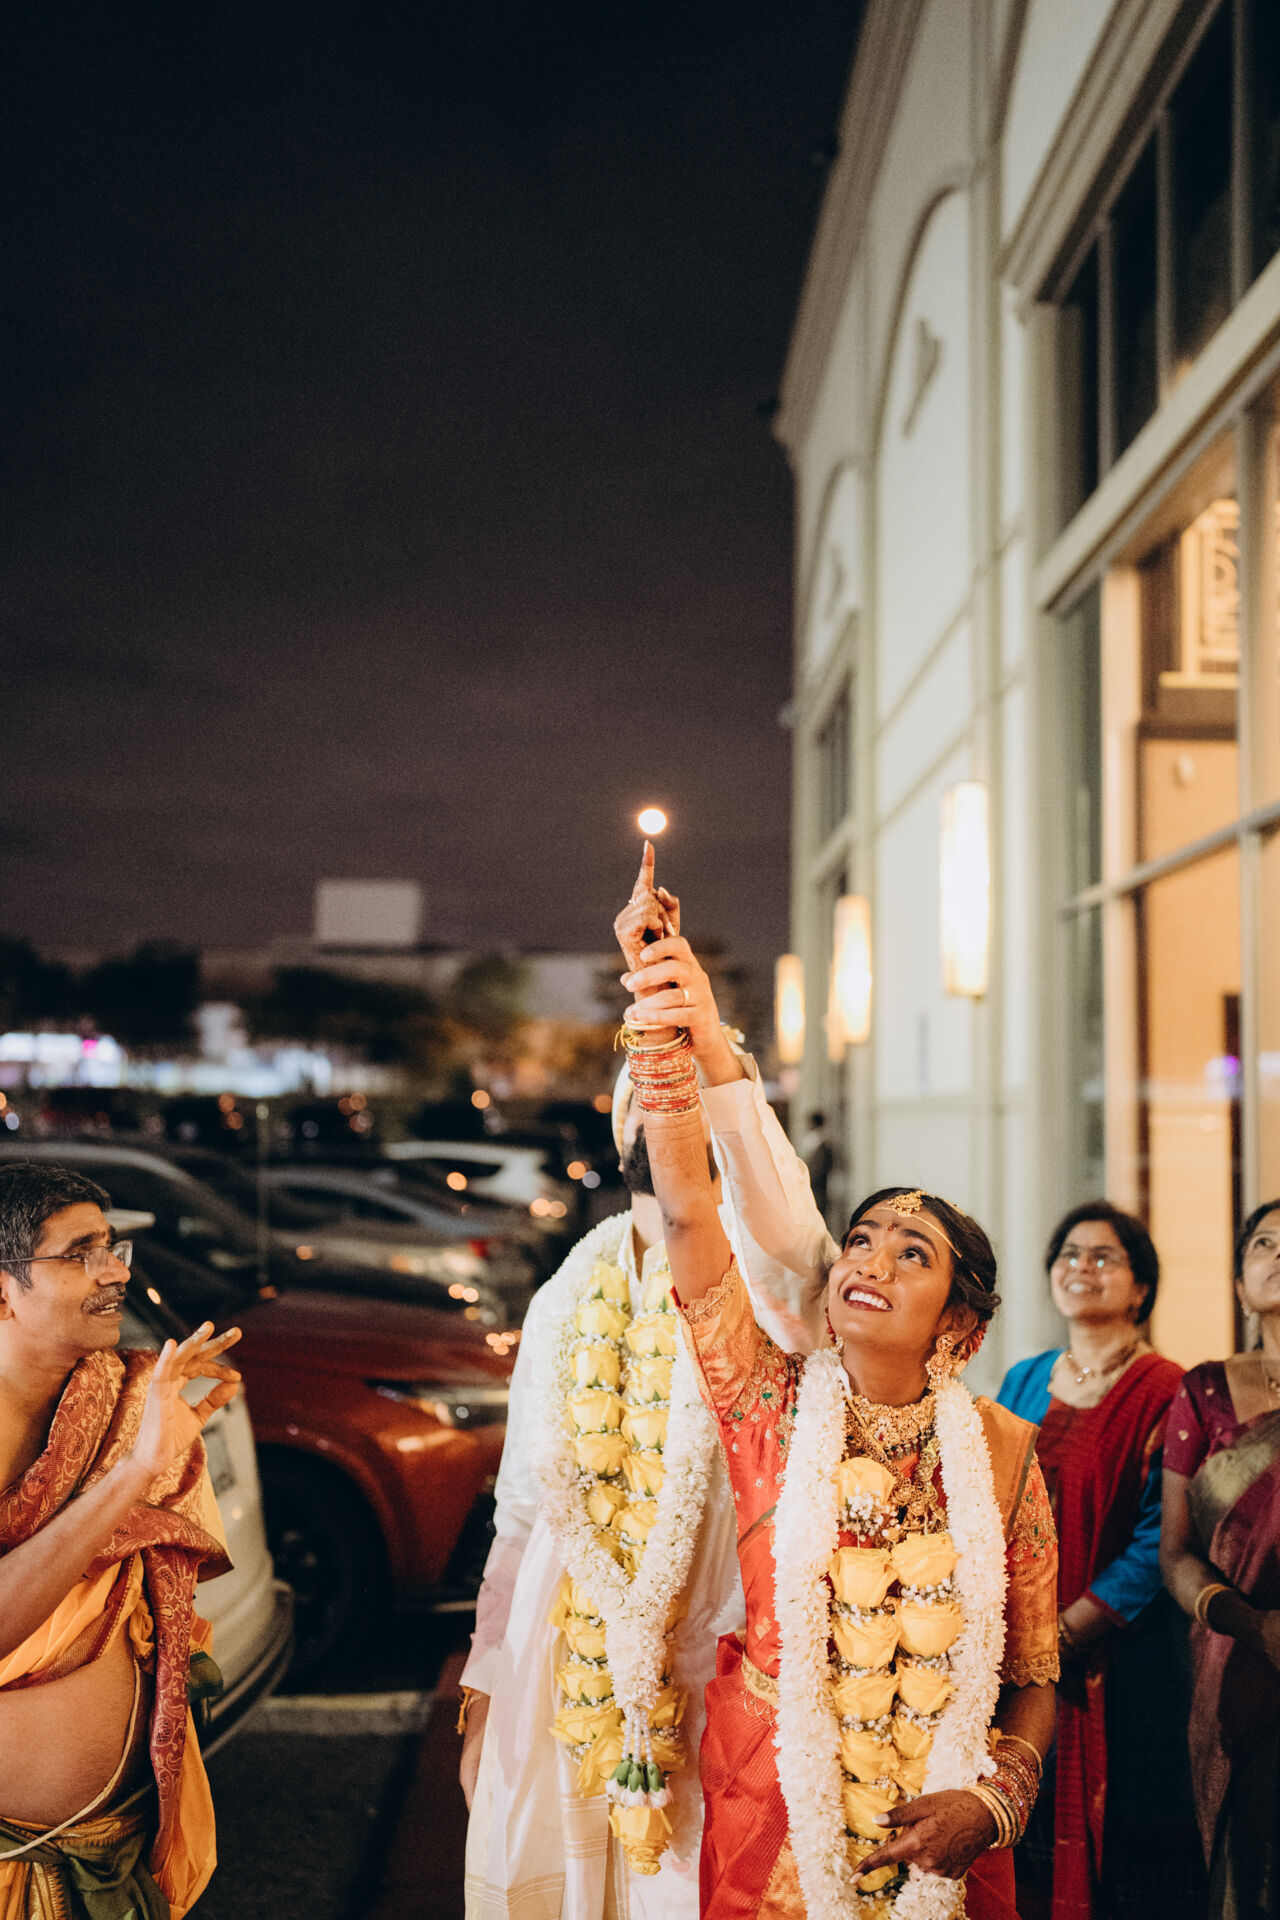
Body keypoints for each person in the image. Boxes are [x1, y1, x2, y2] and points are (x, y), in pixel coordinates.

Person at [613, 850, 1059, 1920]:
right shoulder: (764, 1403)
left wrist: (991, 1802)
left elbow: (1034, 1672)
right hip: (771, 1806)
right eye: (860, 1239)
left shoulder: (1002, 1452)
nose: (868, 1261)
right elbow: (691, 1212)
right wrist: (666, 1023)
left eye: (911, 1255)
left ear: (959, 1323)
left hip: (945, 1816)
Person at [458, 984, 817, 1920]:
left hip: (722, 1656)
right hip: (562, 1668)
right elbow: (519, 1515)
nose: (666, 1110)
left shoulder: (765, 1287)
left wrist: (718, 1065)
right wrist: (486, 1687)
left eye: (689, 1095)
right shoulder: (563, 1297)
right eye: (650, 1094)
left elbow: (790, 1235)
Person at [0, 1162, 242, 1919]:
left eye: (112, 1248)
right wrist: (135, 1471)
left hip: (125, 1835)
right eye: (80, 1254)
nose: (115, 1272)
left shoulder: (122, 1394)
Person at [998, 1203, 1203, 1920]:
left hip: (1122, 1661)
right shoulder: (1024, 1379)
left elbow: (1161, 1536)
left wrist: (1069, 1628)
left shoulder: (1169, 1389)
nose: (1081, 1268)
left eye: (1103, 1257)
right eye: (1069, 1255)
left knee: (1125, 1857)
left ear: (1140, 1286)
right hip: (1013, 1653)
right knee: (1017, 1838)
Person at [1160, 1198, 1280, 1918]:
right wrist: (1255, 1626)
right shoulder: (1203, 1390)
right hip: (1239, 1665)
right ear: (1239, 1284)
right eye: (1264, 1243)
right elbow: (1175, 1554)